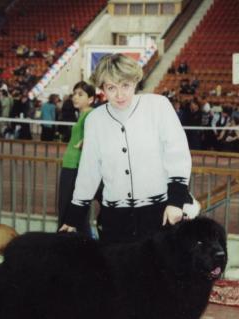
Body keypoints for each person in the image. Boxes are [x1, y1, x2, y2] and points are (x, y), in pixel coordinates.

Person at [59, 53, 192, 244]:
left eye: (125, 85)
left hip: (160, 214)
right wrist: (73, 216)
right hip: (114, 219)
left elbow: (177, 155)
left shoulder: (158, 106)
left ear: (135, 81)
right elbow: (89, 171)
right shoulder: (95, 119)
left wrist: (176, 202)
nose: (119, 95)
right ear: (102, 88)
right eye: (111, 88)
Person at [57, 81, 95, 233]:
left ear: (91, 99)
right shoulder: (83, 114)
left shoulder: (90, 114)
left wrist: (87, 140)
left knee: (69, 210)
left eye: (80, 94)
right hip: (71, 165)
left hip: (75, 166)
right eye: (74, 94)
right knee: (72, 210)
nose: (75, 97)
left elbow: (99, 133)